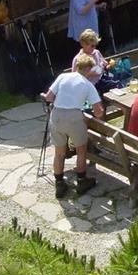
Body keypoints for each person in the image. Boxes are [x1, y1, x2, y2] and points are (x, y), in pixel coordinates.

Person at [42, 54, 104, 199]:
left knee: (59, 153)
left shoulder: (63, 77)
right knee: (81, 150)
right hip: (74, 118)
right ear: (88, 68)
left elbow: (49, 97)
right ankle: (82, 181)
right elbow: (98, 112)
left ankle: (59, 184)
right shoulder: (88, 85)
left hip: (57, 115)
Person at [71, 29, 116, 99]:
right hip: (89, 87)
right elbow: (75, 78)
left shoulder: (96, 52)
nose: (94, 48)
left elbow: (103, 67)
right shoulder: (78, 59)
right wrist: (88, 74)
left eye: (95, 45)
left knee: (116, 85)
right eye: (92, 46)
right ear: (84, 44)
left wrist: (108, 65)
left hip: (102, 82)